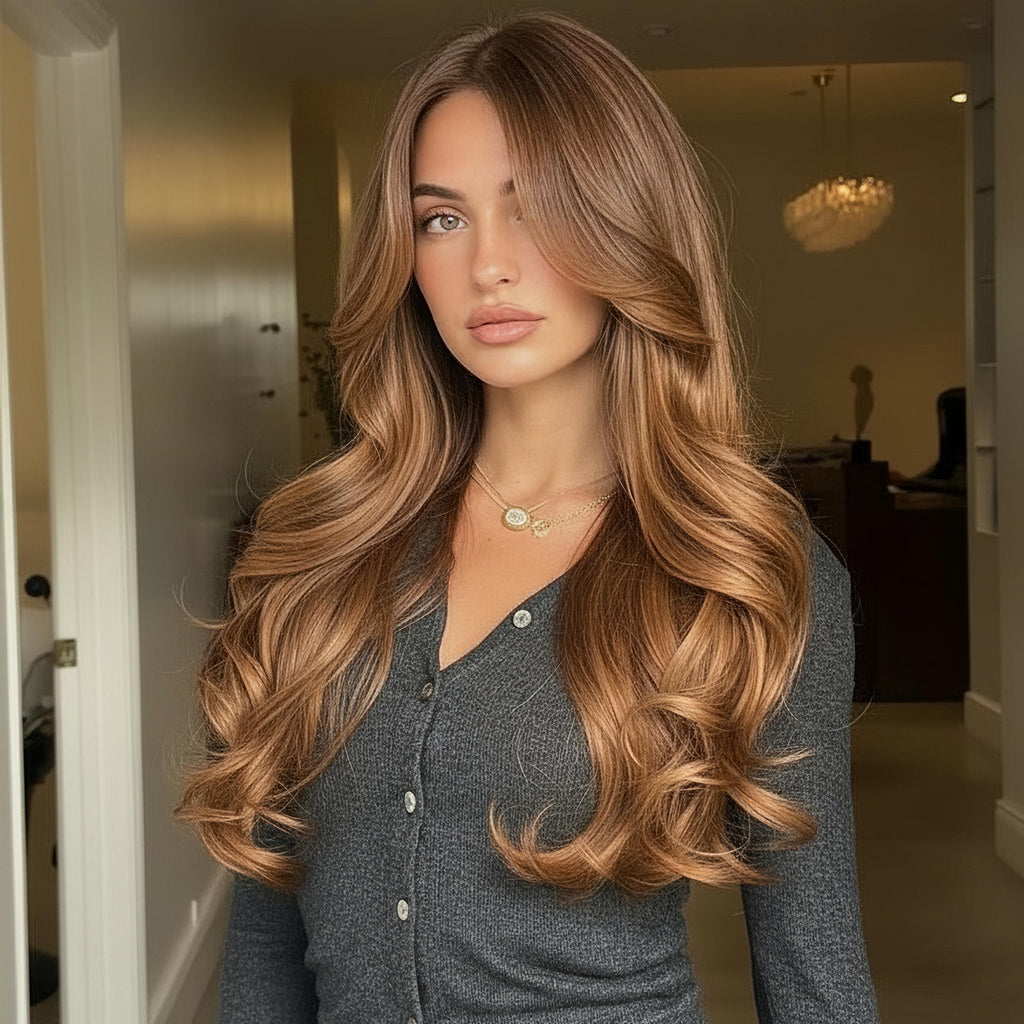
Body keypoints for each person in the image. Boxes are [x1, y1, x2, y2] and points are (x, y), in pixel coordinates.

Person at [176, 11, 881, 1023]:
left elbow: (815, 970)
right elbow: (263, 931)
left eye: (537, 206)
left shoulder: (741, 567)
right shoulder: (327, 545)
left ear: (628, 223)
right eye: (442, 218)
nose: (489, 265)